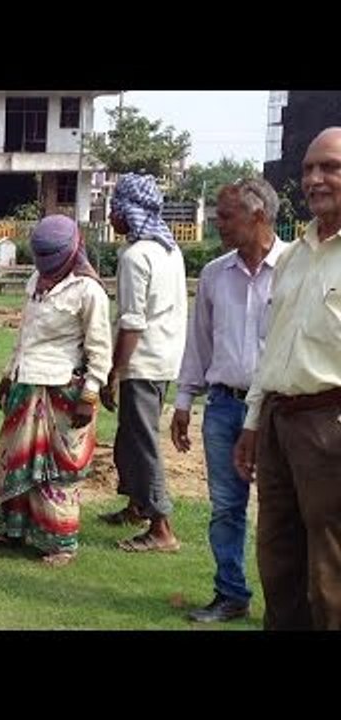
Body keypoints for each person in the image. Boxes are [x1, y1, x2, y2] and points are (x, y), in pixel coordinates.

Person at [234, 127, 341, 630]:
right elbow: (274, 346)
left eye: (331, 167)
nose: (316, 179)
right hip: (279, 421)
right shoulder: (294, 257)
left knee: (330, 574)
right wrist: (254, 421)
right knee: (278, 564)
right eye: (308, 169)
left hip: (331, 425)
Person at [171, 179, 287, 623]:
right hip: (223, 406)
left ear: (258, 216)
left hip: (280, 410)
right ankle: (231, 592)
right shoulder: (216, 275)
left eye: (226, 215)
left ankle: (291, 599)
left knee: (285, 508)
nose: (217, 223)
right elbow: (199, 343)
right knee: (226, 506)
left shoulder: (295, 267)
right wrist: (183, 400)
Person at [0, 215, 111, 565]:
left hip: (62, 391)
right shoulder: (34, 282)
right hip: (26, 386)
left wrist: (90, 395)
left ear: (73, 249)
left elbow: (100, 349)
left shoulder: (88, 290)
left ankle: (61, 543)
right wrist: (9, 374)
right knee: (15, 461)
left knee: (56, 469)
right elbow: (25, 334)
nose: (46, 265)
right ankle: (14, 531)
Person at [99, 172, 187, 553]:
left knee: (142, 442)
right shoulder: (169, 250)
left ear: (128, 211)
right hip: (165, 356)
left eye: (114, 209)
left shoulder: (135, 256)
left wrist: (114, 371)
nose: (111, 217)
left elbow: (132, 321)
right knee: (129, 437)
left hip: (144, 362)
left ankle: (161, 526)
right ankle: (136, 505)